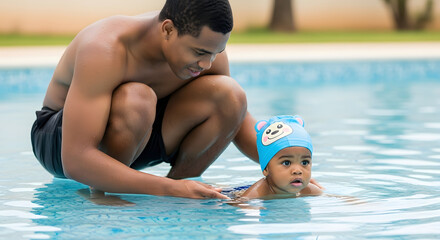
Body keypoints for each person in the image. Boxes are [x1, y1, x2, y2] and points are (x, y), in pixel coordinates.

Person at [31, 0, 260, 200]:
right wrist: (168, 189)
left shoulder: (207, 52)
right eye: (200, 53)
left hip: (140, 132)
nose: (207, 64)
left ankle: (188, 190)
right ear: (168, 30)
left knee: (231, 94)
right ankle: (105, 193)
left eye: (216, 53)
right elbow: (75, 159)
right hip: (62, 142)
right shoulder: (105, 49)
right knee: (137, 98)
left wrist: (289, 162)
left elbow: (235, 116)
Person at [236, 115, 323, 200]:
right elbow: (240, 204)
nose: (297, 171)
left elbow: (330, 197)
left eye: (304, 162)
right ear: (266, 169)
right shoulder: (258, 193)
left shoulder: (307, 190)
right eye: (287, 163)